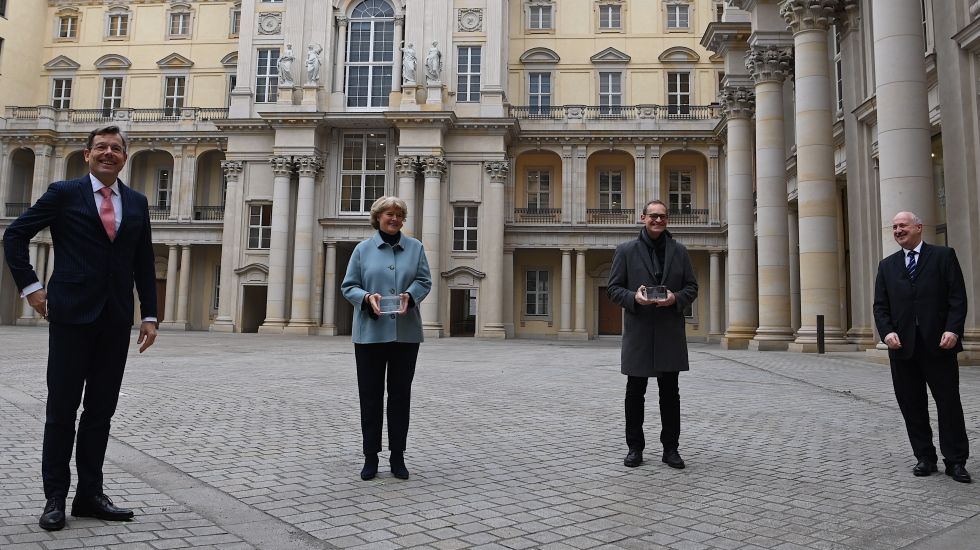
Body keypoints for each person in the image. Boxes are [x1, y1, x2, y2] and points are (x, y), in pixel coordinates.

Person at [2, 125, 159, 531]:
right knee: (61, 411)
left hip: (115, 319)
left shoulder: (137, 202)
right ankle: (55, 497)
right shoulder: (63, 193)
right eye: (102, 147)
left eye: (116, 149)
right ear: (87, 153)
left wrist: (150, 315)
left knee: (100, 412)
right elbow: (15, 236)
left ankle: (90, 494)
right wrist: (33, 290)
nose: (109, 153)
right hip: (71, 315)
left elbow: (143, 261)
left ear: (125, 157)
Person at [873, 211, 971, 483]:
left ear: (919, 227)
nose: (897, 230)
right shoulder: (887, 265)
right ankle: (925, 458)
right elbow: (880, 307)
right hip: (902, 348)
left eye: (902, 225)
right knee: (912, 405)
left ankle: (955, 461)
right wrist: (887, 332)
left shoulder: (943, 256)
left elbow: (957, 298)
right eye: (894, 227)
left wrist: (953, 329)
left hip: (939, 345)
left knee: (948, 404)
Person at [341, 196, 432, 481]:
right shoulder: (362, 249)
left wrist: (410, 295)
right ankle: (370, 457)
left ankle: (397, 457)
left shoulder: (416, 248)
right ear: (378, 217)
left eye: (400, 215)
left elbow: (424, 281)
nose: (395, 219)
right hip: (369, 334)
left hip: (405, 335)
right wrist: (367, 297)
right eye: (389, 214)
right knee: (370, 397)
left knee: (400, 397)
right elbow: (349, 286)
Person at [607, 200, 698, 470]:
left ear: (667, 220)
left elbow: (692, 287)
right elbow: (613, 289)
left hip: (670, 333)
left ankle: (671, 449)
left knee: (671, 395)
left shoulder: (680, 251)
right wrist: (634, 297)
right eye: (653, 216)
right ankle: (634, 448)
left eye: (663, 216)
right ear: (643, 218)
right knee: (635, 393)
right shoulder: (625, 251)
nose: (658, 220)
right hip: (639, 333)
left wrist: (676, 299)